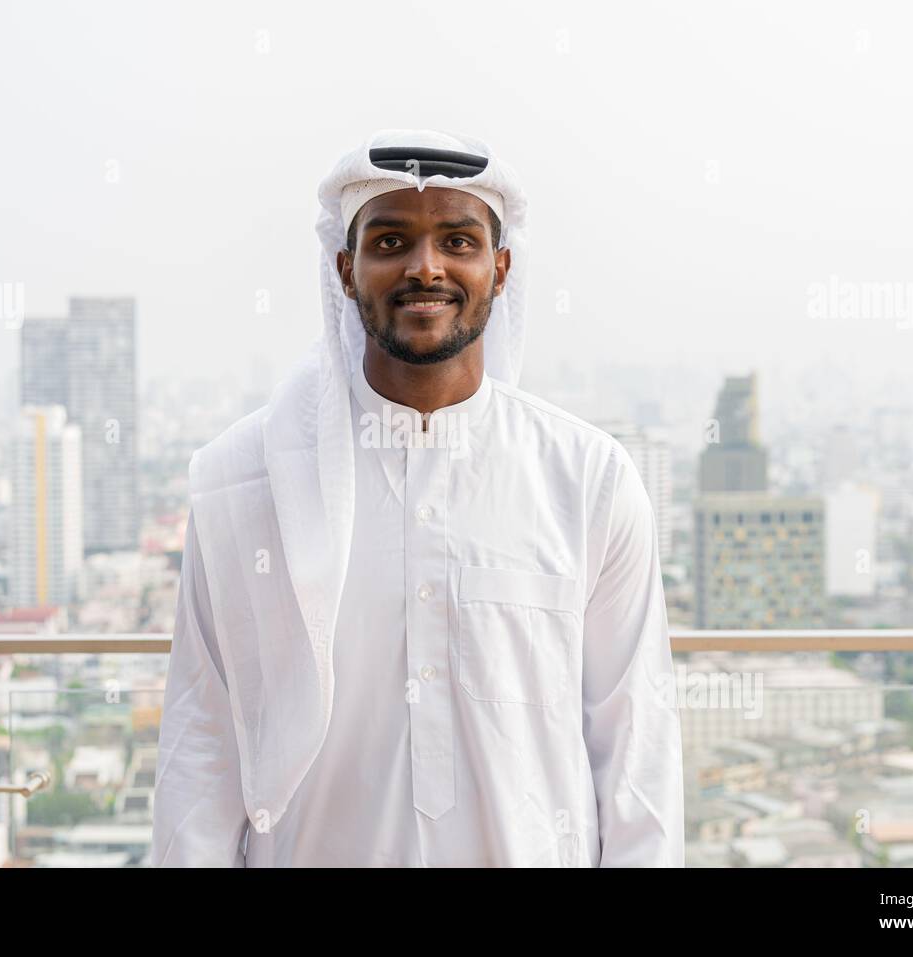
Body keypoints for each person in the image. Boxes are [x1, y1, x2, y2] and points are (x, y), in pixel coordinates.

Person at [152, 128, 684, 866]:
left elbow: (637, 751)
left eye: (458, 241)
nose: (425, 267)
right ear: (346, 269)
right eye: (392, 240)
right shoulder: (245, 482)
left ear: (501, 269)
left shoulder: (588, 479)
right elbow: (199, 753)